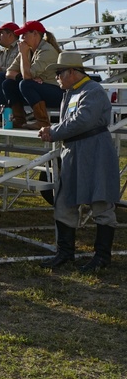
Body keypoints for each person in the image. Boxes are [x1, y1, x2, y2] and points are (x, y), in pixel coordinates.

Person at [38, 52, 119, 273]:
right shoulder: (73, 92)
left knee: (101, 202)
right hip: (74, 151)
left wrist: (53, 131)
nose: (56, 77)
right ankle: (65, 253)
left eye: (59, 72)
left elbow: (82, 120)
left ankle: (102, 257)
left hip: (94, 151)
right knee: (65, 202)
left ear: (72, 72)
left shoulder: (92, 90)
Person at [1, 20, 61, 129]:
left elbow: (27, 77)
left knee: (26, 84)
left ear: (35, 34)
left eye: (25, 34)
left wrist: (23, 55)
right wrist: (22, 77)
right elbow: (8, 72)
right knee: (8, 83)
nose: (22, 37)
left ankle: (43, 122)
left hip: (56, 91)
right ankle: (19, 119)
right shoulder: (26, 49)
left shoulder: (47, 50)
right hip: (38, 91)